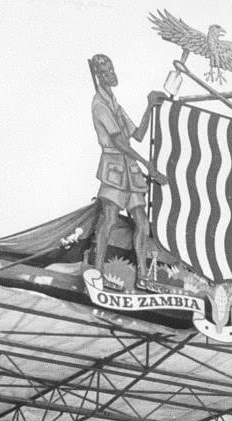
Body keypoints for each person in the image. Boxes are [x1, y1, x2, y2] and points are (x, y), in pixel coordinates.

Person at [88, 53, 166, 289]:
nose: (110, 75)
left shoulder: (115, 104)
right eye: (104, 73)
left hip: (130, 170)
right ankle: (97, 271)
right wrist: (146, 164)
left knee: (142, 223)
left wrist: (150, 105)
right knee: (109, 219)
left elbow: (138, 135)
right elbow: (119, 142)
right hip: (114, 168)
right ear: (98, 76)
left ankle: (143, 275)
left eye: (111, 69)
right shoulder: (100, 105)